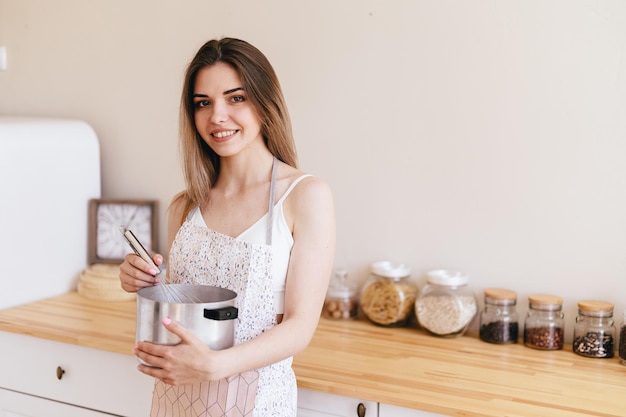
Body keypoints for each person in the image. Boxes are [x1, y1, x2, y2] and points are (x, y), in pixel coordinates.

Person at [119, 37, 336, 416]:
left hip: (260, 404)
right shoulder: (185, 206)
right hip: (182, 400)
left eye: (236, 98)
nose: (217, 116)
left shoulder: (305, 196)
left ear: (265, 104)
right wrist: (147, 283)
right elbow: (185, 310)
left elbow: (301, 326)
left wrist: (216, 366)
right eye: (203, 103)